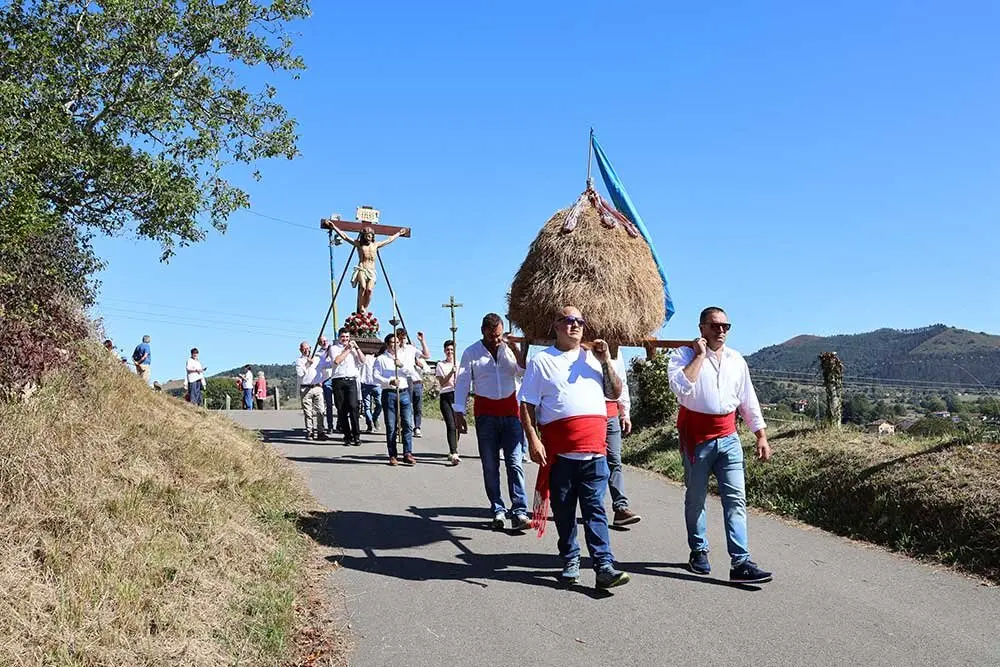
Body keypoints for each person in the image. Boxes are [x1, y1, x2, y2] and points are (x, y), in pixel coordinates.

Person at [518, 306, 630, 589]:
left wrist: (605, 361)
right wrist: (533, 439)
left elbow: (614, 393)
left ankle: (604, 565)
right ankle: (570, 559)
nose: (575, 325)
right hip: (560, 453)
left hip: (594, 451)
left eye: (579, 321)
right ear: (555, 325)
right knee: (565, 510)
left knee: (595, 510)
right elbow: (527, 404)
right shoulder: (542, 361)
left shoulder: (594, 358)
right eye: (568, 321)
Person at [667, 306, 773, 584]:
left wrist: (760, 434)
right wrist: (700, 356)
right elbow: (681, 388)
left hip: (729, 438)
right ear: (702, 328)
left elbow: (747, 399)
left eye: (726, 326)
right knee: (696, 498)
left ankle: (740, 562)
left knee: (736, 499)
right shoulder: (682, 356)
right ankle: (698, 550)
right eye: (715, 326)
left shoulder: (737, 360)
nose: (721, 331)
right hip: (696, 439)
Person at [454, 313, 531, 531]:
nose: (496, 340)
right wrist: (459, 412)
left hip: (511, 414)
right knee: (490, 465)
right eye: (492, 336)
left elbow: (523, 372)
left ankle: (519, 511)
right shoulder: (471, 353)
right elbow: (462, 382)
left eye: (498, 336)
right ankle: (497, 508)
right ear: (483, 332)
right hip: (485, 416)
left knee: (515, 463)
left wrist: (515, 349)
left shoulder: (508, 348)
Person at [327, 223, 409, 314]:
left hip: (372, 271)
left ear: (372, 236)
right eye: (366, 235)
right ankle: (361, 306)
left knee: (369, 290)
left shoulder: (376, 245)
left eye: (370, 235)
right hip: (362, 269)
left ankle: (365, 308)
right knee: (362, 287)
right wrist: (334, 227)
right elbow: (345, 237)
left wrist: (398, 233)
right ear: (363, 236)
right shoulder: (359, 245)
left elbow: (389, 240)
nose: (368, 237)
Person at [373, 332, 420, 465]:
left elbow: (412, 373)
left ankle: (407, 453)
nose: (396, 345)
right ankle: (392, 455)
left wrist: (401, 366)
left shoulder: (404, 357)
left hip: (404, 392)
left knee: (407, 424)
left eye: (397, 342)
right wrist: (389, 382)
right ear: (388, 344)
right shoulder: (381, 359)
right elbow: (375, 376)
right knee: (391, 425)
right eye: (392, 342)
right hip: (389, 393)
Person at [606, 351, 641, 526]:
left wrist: (624, 413)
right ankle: (591, 506)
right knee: (590, 463)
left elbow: (622, 382)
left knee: (614, 460)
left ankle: (620, 508)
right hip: (586, 414)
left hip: (610, 413)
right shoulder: (580, 347)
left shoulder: (614, 350)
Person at [328, 328, 365, 446]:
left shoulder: (353, 349)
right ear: (339, 337)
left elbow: (363, 360)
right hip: (338, 381)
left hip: (351, 381)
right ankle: (347, 435)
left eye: (347, 337)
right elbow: (337, 360)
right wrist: (347, 349)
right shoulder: (334, 348)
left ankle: (357, 435)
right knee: (342, 409)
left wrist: (357, 348)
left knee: (354, 407)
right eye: (343, 337)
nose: (345, 339)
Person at [395, 328, 431, 438]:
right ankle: (402, 426)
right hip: (404, 380)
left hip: (416, 381)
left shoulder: (411, 349)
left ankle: (417, 427)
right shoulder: (395, 351)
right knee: (406, 405)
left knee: (417, 407)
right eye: (400, 338)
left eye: (404, 337)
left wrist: (422, 341)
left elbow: (426, 355)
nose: (402, 340)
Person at [435, 339, 460, 466]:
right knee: (450, 425)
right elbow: (442, 382)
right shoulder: (441, 365)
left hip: (458, 395)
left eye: (452, 350)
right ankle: (453, 452)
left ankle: (454, 446)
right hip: (446, 395)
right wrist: (451, 372)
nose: (450, 352)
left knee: (457, 426)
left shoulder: (460, 364)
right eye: (447, 350)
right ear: (444, 351)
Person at [295, 341, 327, 440]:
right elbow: (300, 374)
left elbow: (326, 367)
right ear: (300, 350)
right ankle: (310, 432)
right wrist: (307, 365)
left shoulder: (317, 358)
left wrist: (322, 380)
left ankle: (321, 431)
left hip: (317, 387)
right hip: (305, 388)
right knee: (308, 412)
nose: (306, 350)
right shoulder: (299, 361)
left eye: (308, 348)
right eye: (304, 348)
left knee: (320, 411)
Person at [315, 335, 336, 435]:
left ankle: (340, 424)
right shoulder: (318, 354)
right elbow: (322, 365)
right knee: (329, 404)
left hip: (336, 378)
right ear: (319, 343)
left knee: (340, 403)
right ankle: (330, 426)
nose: (325, 343)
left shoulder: (333, 349)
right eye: (322, 341)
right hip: (326, 380)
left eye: (326, 341)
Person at [360, 351, 382, 433]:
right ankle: (370, 424)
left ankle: (374, 418)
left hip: (377, 385)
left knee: (380, 404)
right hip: (366, 384)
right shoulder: (367, 358)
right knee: (367, 406)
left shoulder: (380, 360)